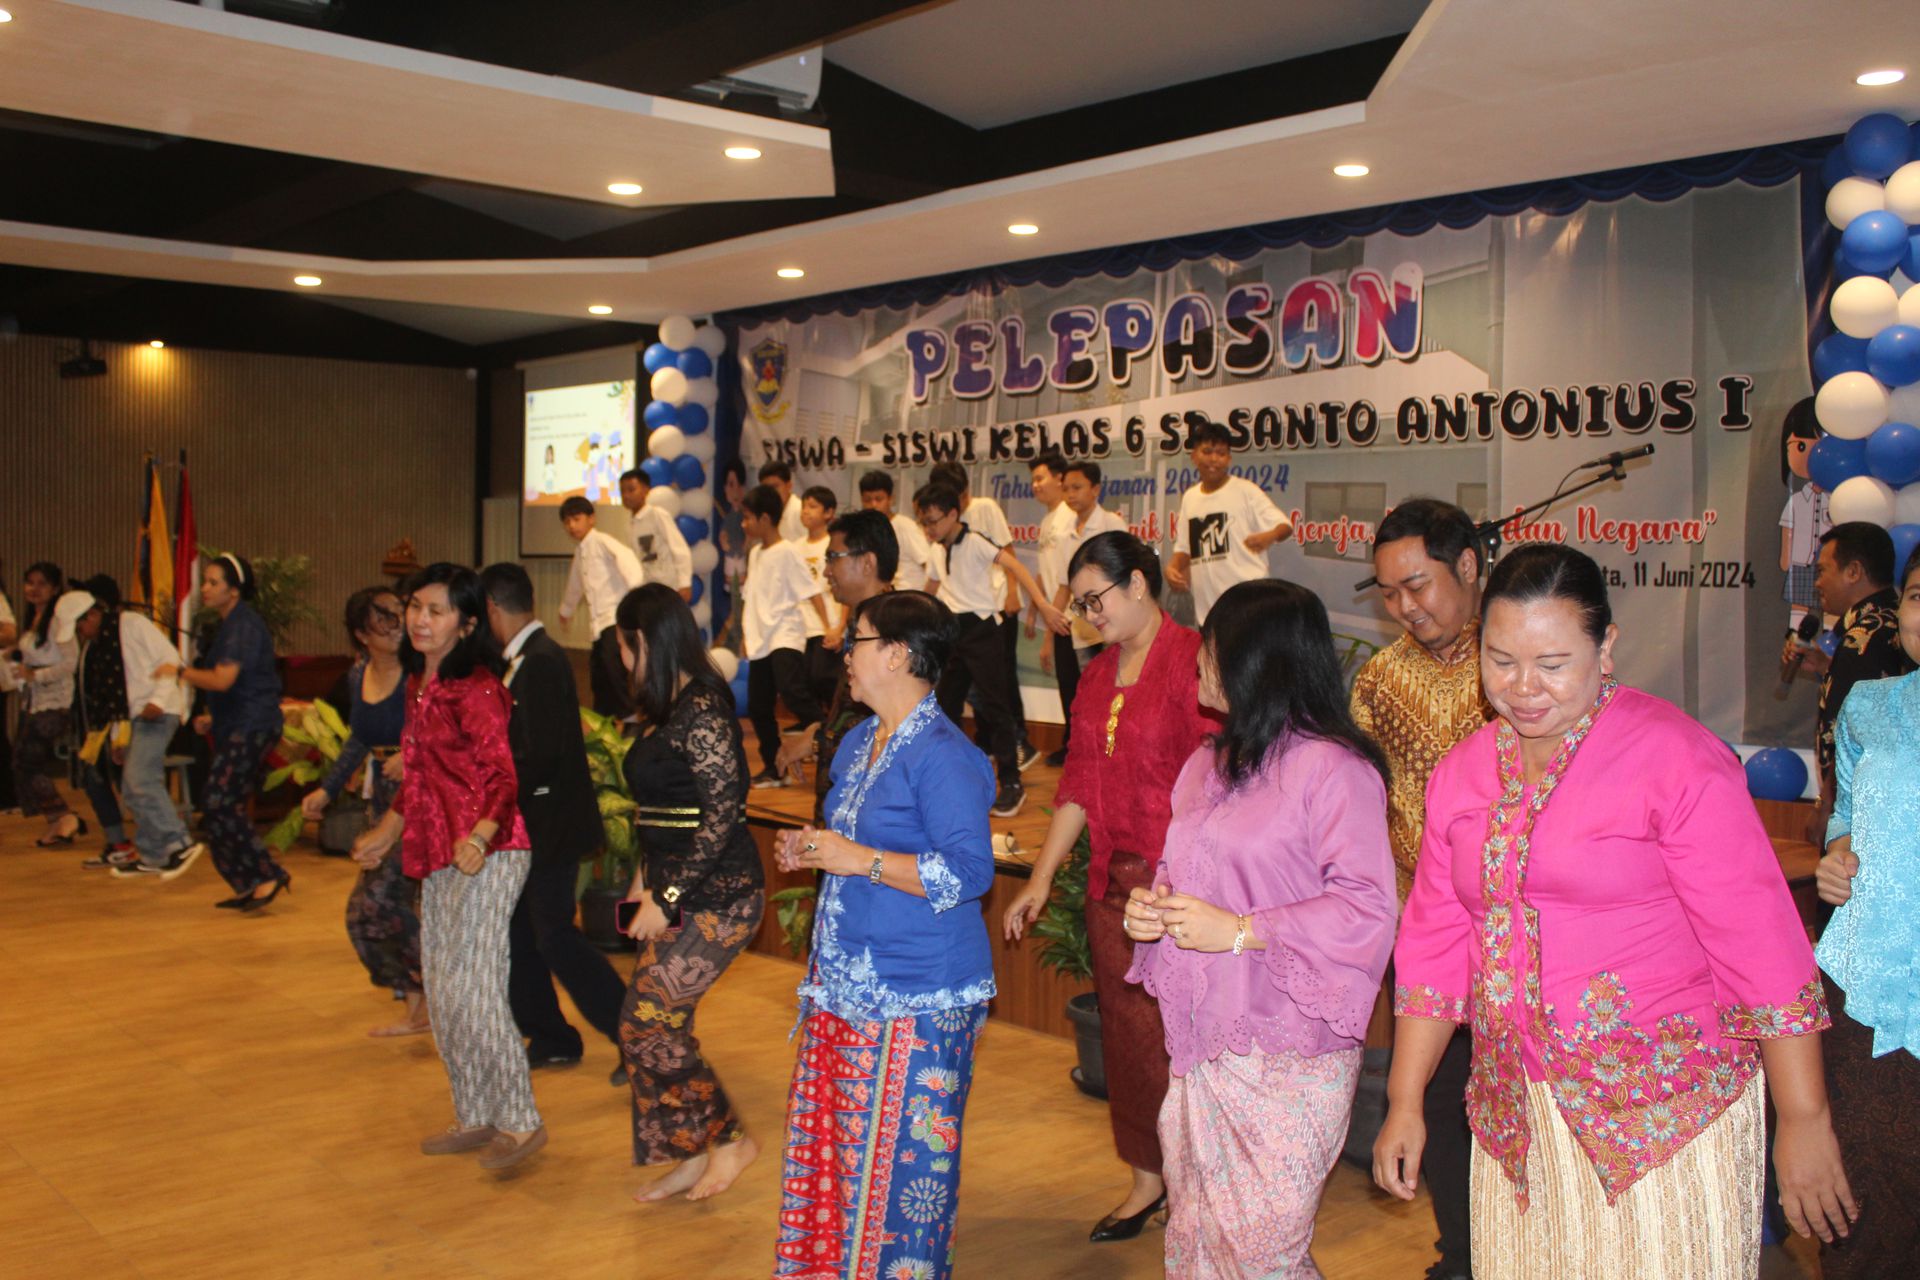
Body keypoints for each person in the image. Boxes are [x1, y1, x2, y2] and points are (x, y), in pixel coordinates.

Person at [1375, 543, 1853, 1279]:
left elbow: (1761, 950)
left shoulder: (1676, 758)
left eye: (1552, 663)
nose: (1523, 688)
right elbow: (1436, 944)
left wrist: (1804, 1119)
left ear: (1606, 649)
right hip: (1516, 1119)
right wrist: (1405, 1098)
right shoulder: (1462, 774)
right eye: (1500, 661)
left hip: (1665, 1119)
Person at [1126, 577, 1397, 1278]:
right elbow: (1182, 871)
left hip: (1290, 1050)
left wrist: (1245, 930)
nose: (1198, 662)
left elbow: (1367, 906)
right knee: (1202, 1234)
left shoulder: (1334, 769)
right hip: (1208, 1040)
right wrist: (1153, 910)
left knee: (1261, 1253)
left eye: (1211, 649)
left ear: (1257, 658)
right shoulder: (1206, 763)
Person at [771, 591, 996, 1280]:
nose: (845, 654)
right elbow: (854, 842)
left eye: (857, 639)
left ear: (897, 654)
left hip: (917, 995)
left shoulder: (943, 755)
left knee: (903, 1184)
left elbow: (969, 873)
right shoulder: (859, 740)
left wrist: (858, 859)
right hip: (845, 987)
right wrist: (815, 848)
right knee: (841, 1165)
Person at [1003, 531, 1214, 1245]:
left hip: (1183, 893)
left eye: (1096, 599)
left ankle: (1199, 1183)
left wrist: (1192, 880)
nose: (1089, 615)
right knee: (1129, 1043)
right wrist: (1039, 878)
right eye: (1081, 604)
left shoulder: (1194, 662)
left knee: (1185, 1044)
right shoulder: (1094, 678)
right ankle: (1148, 1178)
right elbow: (1077, 785)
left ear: (1140, 585)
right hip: (1112, 890)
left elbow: (1217, 783)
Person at [352, 564, 546, 1171]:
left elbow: (503, 778)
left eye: (435, 610)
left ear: (465, 623)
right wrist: (387, 833)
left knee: (476, 987)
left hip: (491, 851)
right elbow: (419, 777)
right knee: (442, 989)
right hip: (438, 850)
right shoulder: (420, 684)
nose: (419, 619)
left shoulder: (478, 688)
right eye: (415, 607)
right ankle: (475, 1112)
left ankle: (519, 1119)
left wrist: (480, 836)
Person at [1349, 497, 1492, 1280]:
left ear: (1467, 566)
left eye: (1417, 586)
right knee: (1436, 1096)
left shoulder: (1518, 660)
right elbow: (1362, 805)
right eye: (1389, 594)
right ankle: (1461, 1254)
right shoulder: (1380, 680)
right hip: (1423, 929)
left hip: (1522, 932)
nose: (1405, 608)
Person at [614, 584, 766, 1203]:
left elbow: (723, 816)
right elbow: (659, 812)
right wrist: (642, 884)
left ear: (645, 641)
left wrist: (667, 895)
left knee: (648, 1023)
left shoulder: (703, 709)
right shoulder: (666, 708)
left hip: (719, 897)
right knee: (651, 1024)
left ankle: (730, 1141)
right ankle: (688, 1149)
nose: (622, 660)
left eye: (624, 647)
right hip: (670, 888)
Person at [1814, 542, 1920, 1276]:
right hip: (1865, 991)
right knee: (1864, 1219)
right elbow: (1847, 814)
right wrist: (1836, 858)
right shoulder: (1871, 706)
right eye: (1917, 596)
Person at [479, 563, 627, 1081]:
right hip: (531, 827)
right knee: (520, 933)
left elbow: (537, 754)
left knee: (555, 936)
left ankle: (635, 1037)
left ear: (491, 609)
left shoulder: (540, 660)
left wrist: (487, 777)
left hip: (550, 827)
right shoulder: (524, 659)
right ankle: (551, 1036)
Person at [298, 587, 423, 1034]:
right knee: (383, 907)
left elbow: (443, 730)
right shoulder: (358, 676)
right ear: (361, 635)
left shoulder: (421, 672)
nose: (395, 626)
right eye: (382, 620)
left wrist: (412, 753)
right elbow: (358, 739)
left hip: (419, 800)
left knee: (375, 902)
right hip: (384, 799)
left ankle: (434, 992)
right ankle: (419, 1005)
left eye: (397, 614)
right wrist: (327, 790)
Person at [914, 481, 1067, 817]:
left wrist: (1042, 604)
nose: (928, 529)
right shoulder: (937, 550)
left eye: (933, 521)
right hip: (953, 632)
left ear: (953, 514)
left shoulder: (975, 541)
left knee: (997, 709)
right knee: (943, 709)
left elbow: (1016, 566)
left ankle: (1012, 783)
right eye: (924, 522)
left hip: (983, 631)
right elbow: (932, 587)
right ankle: (946, 778)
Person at [171, 555, 289, 908]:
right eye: (205, 581)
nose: (205, 589)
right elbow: (236, 683)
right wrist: (213, 717)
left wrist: (179, 672)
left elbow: (223, 679)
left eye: (213, 582)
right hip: (240, 722)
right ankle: (249, 881)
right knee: (221, 804)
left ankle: (266, 874)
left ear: (234, 590)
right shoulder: (232, 624)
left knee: (219, 802)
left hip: (253, 724)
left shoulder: (243, 626)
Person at [1787, 522, 1909, 850]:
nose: (1817, 582)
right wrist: (1827, 668)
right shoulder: (1890, 622)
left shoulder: (1864, 637)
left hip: (1857, 810)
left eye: (1823, 571)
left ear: (1853, 571)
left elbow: (1854, 734)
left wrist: (1826, 805)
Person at [776, 508, 897, 820]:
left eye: (833, 558)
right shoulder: (864, 622)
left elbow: (885, 726)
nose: (827, 572)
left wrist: (818, 741)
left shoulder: (892, 631)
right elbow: (851, 710)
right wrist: (819, 730)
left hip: (867, 823)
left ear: (867, 563)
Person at [87, 585, 204, 879]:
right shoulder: (101, 645)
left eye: (80, 625)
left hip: (159, 711)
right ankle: (153, 854)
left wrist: (158, 700)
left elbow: (171, 659)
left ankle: (179, 843)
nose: (81, 633)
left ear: (93, 615)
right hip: (134, 719)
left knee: (141, 779)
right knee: (130, 786)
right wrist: (118, 737)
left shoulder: (132, 624)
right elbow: (116, 696)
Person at [930, 460, 1037, 771]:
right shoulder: (939, 533)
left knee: (999, 683)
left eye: (961, 495)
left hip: (997, 607)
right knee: (966, 688)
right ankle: (987, 745)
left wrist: (1014, 592)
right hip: (960, 617)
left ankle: (1019, 742)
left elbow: (1008, 553)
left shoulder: (984, 509)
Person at [739, 483, 829, 788]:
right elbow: (752, 597)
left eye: (748, 517)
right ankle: (775, 768)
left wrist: (829, 627)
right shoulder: (755, 554)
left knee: (793, 692)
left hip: (785, 635)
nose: (743, 524)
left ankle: (829, 734)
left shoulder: (788, 551)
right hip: (760, 640)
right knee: (758, 707)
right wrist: (746, 635)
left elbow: (812, 592)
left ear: (765, 518)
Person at [1165, 421, 1293, 623]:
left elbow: (1285, 526)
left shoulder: (1245, 491)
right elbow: (1184, 548)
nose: (1214, 459)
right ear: (1194, 456)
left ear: (1229, 459)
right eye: (1207, 451)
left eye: (1221, 453)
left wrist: (1270, 536)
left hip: (1249, 606)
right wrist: (1172, 568)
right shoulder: (1190, 497)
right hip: (1208, 612)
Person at [9, 562, 82, 846]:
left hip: (54, 702)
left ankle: (64, 816)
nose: (34, 589)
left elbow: (69, 662)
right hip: (33, 701)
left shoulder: (58, 621)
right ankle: (57, 820)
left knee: (27, 762)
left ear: (54, 589)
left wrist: (35, 675)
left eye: (41, 584)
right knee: (22, 762)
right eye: (30, 582)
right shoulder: (34, 619)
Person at [1052, 461, 1128, 730]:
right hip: (1079, 626)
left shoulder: (1111, 523)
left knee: (1112, 691)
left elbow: (1123, 576)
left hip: (1110, 626)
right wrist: (1052, 621)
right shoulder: (1065, 533)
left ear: (1095, 489)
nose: (1070, 494)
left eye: (1077, 487)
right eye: (1066, 489)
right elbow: (1064, 586)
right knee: (1083, 692)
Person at [556, 494, 646, 717]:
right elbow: (575, 585)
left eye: (576, 519)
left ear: (591, 519)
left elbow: (629, 561)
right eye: (567, 522)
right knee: (598, 675)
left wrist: (635, 595)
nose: (572, 526)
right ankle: (604, 719)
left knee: (613, 671)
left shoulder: (603, 542)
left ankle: (629, 719)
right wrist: (566, 610)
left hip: (614, 618)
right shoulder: (580, 552)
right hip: (598, 625)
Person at [70, 576, 132, 864]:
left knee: (130, 786)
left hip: (115, 729)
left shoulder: (114, 641)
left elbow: (117, 689)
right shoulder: (92, 642)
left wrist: (119, 734)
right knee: (95, 782)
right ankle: (117, 842)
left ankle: (156, 845)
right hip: (94, 729)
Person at [1026, 452, 1074, 764]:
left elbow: (1066, 577)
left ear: (1060, 478)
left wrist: (1049, 631)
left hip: (1072, 617)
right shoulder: (1047, 521)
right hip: (1055, 615)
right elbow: (1046, 573)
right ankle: (1070, 743)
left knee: (1075, 685)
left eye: (1040, 478)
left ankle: (1075, 746)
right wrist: (1033, 612)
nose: (1036, 485)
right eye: (1033, 480)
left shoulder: (1070, 516)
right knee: (1067, 683)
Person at [794, 485, 846, 710]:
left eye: (813, 506)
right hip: (799, 626)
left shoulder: (833, 545)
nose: (806, 511)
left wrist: (839, 627)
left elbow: (844, 590)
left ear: (829, 512)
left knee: (824, 678)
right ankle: (817, 724)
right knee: (803, 681)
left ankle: (832, 721)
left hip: (827, 626)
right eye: (804, 506)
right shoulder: (794, 547)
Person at [1779, 397, 1828, 633]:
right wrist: (1785, 557)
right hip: (1800, 563)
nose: (1809, 454)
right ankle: (1795, 634)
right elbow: (1788, 530)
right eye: (1799, 446)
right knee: (1799, 606)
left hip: (1830, 567)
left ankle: (1831, 636)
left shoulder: (1839, 500)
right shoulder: (1797, 501)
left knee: (1831, 606)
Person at [617, 468, 693, 601]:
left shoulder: (657, 515)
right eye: (622, 491)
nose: (626, 495)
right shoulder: (628, 524)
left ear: (646, 490)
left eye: (631, 490)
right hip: (646, 588)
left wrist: (684, 583)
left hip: (668, 586)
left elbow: (679, 549)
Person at [858, 468, 933, 591]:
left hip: (911, 594)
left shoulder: (905, 526)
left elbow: (929, 565)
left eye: (879, 499)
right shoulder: (864, 530)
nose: (873, 505)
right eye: (867, 500)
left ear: (891, 499)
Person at [759, 459, 807, 542]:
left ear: (789, 486)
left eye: (775, 487)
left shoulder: (800, 511)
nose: (771, 492)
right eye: (766, 488)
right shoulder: (766, 513)